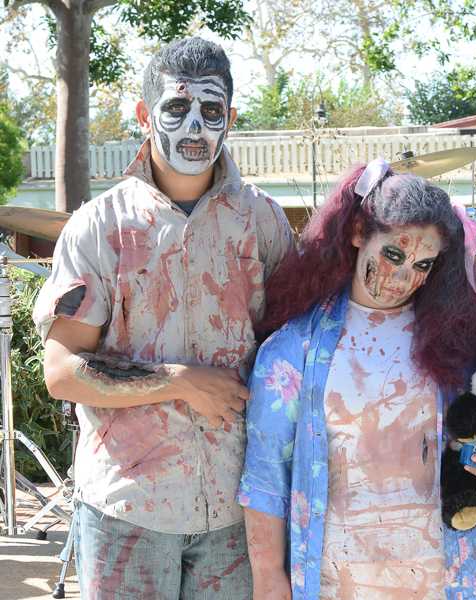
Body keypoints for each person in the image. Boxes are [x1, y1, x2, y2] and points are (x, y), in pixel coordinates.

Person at [33, 37, 293, 598]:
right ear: (145, 115)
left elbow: (298, 355)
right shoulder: (99, 227)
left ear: (232, 118)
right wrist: (178, 383)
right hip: (126, 507)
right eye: (177, 109)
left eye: (212, 110)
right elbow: (61, 372)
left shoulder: (264, 223)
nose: (195, 127)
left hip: (238, 504)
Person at [238, 159, 476, 600]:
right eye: (394, 255)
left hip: (454, 577)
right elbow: (266, 480)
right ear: (359, 232)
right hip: (338, 581)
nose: (404, 278)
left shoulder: (463, 348)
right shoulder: (292, 353)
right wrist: (269, 579)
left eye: (423, 265)